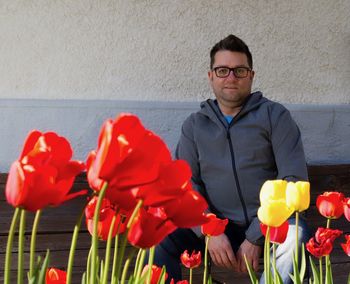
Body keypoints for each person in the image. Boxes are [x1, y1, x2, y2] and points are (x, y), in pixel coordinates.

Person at [153, 34, 310, 284]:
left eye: (239, 70)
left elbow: (292, 180)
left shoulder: (275, 116)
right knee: (159, 232)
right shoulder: (194, 126)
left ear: (251, 75)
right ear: (211, 75)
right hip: (217, 230)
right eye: (223, 70)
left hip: (269, 227)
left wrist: (256, 235)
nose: (231, 77)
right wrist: (210, 230)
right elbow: (185, 187)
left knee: (296, 236)